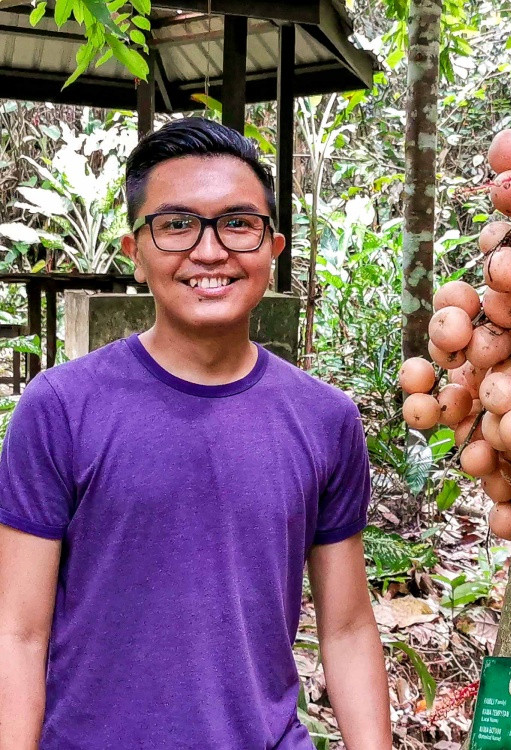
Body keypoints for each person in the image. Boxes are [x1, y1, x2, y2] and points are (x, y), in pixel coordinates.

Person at [0, 117, 392, 750]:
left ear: (274, 246)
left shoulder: (325, 419)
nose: (210, 252)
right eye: (176, 224)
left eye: (238, 224)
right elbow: (16, 633)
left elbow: (345, 628)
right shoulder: (61, 408)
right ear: (135, 250)